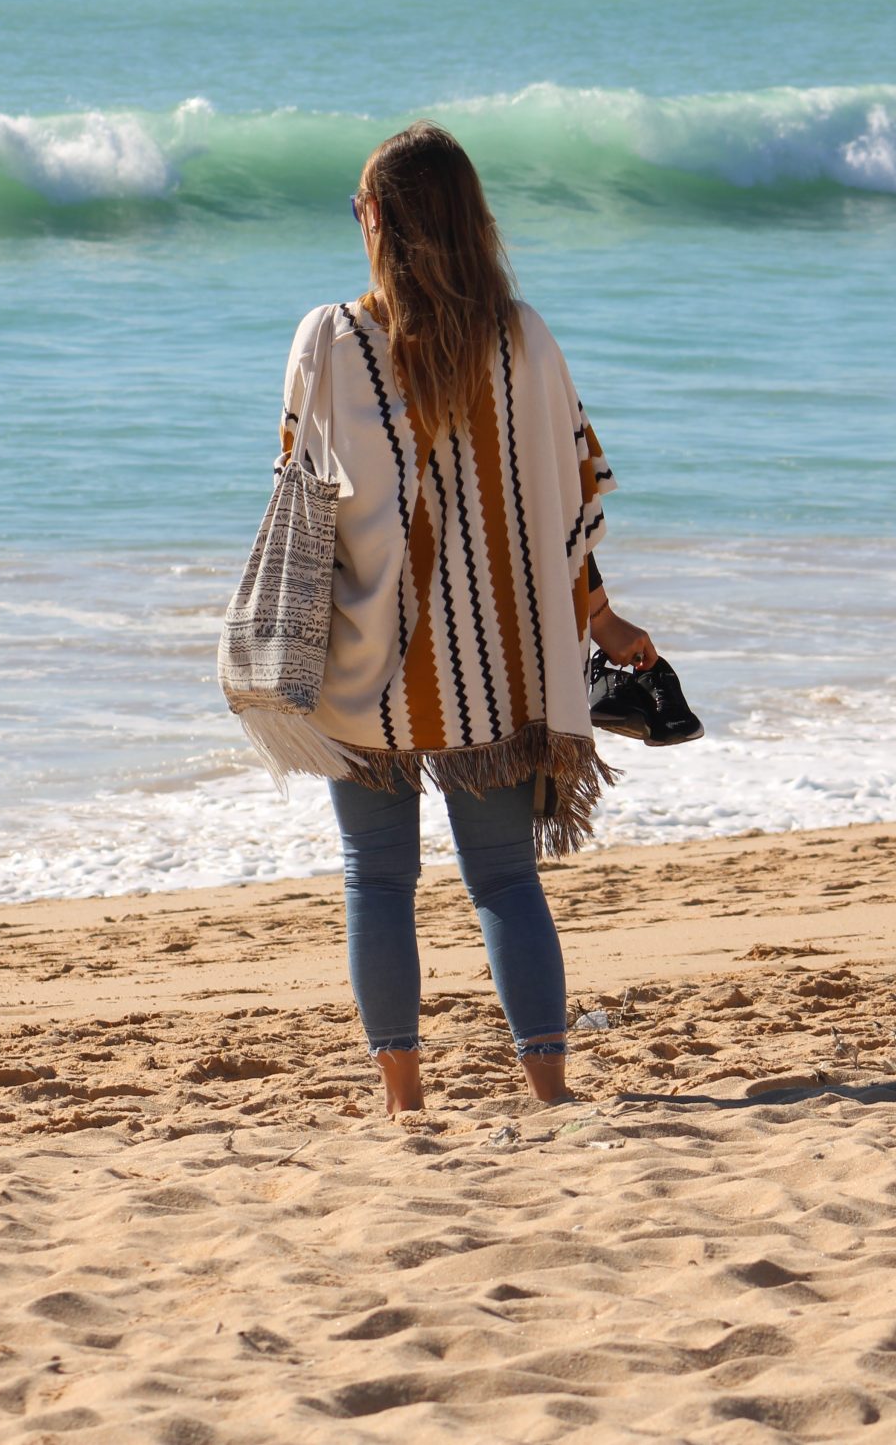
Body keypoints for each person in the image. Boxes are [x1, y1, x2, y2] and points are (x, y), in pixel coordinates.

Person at [272, 122, 656, 1113]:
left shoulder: (330, 339)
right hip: (500, 665)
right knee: (503, 878)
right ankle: (550, 1093)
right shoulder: (521, 337)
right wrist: (601, 620)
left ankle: (403, 1102)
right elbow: (569, 494)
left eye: (359, 208)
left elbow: (300, 496)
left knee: (376, 877)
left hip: (367, 656)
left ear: (379, 225)